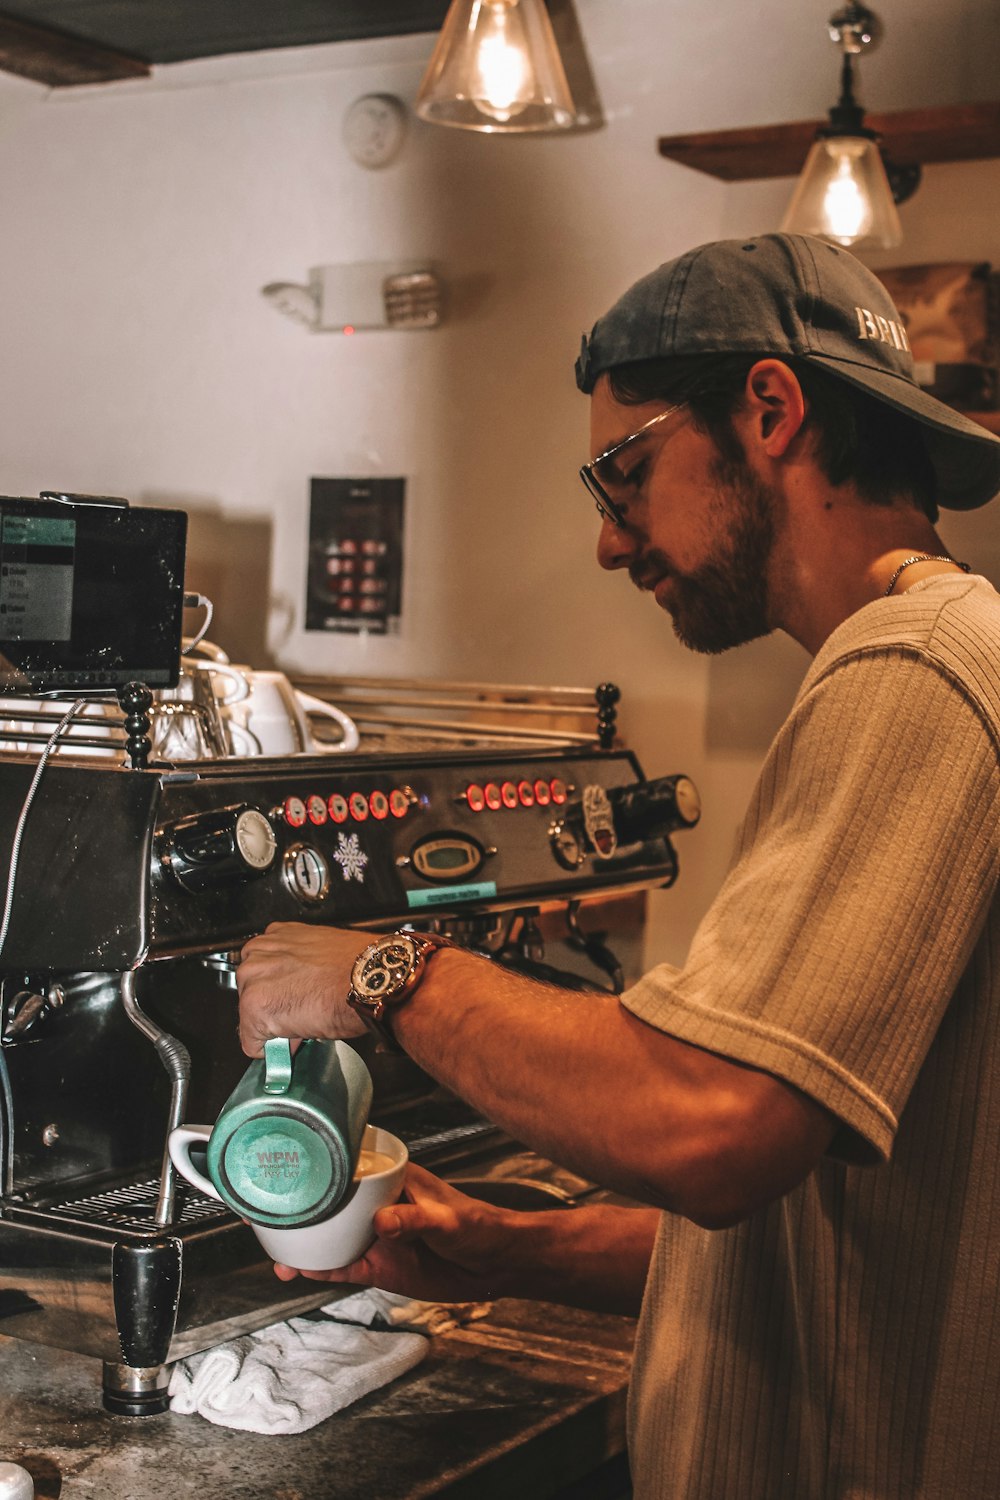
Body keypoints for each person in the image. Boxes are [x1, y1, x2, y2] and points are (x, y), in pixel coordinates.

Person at [237, 234, 1000, 1500]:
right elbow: (787, 1220)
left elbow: (710, 1123)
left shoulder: (912, 668)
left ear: (768, 409)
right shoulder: (931, 659)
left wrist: (388, 973)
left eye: (624, 472)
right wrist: (502, 1246)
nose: (608, 540)